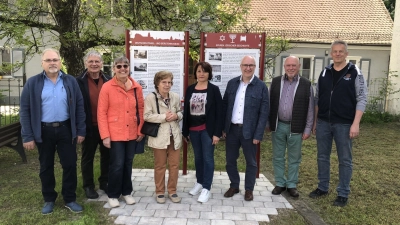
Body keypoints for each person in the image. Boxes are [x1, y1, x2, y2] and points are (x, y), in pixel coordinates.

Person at [20, 48, 86, 214]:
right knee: (45, 167)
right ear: (42, 63)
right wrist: (27, 135)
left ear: (60, 62)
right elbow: (25, 110)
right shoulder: (33, 83)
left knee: (70, 165)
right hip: (44, 131)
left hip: (66, 130)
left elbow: (79, 107)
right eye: (48, 60)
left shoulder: (70, 81)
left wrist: (81, 130)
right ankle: (49, 199)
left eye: (55, 60)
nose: (52, 63)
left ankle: (69, 198)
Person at [309, 40, 368, 207]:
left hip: (344, 124)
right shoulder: (324, 73)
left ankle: (343, 193)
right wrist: (315, 121)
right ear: (331, 53)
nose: (338, 54)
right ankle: (322, 187)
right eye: (335, 51)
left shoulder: (355, 72)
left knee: (345, 159)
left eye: (341, 51)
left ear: (346, 53)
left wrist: (356, 123)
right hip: (323, 123)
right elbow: (317, 98)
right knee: (322, 156)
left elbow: (362, 98)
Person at [97, 56, 145, 208]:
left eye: (125, 66)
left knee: (128, 163)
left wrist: (140, 130)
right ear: (114, 69)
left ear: (129, 68)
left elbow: (141, 110)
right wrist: (105, 135)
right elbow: (101, 112)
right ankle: (113, 194)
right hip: (115, 133)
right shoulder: (107, 87)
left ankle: (127, 192)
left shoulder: (137, 87)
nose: (122, 69)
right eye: (119, 66)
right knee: (116, 164)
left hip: (132, 131)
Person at [222, 55, 269, 201]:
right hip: (232, 130)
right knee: (230, 160)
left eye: (251, 65)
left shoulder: (261, 86)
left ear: (255, 68)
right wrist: (224, 128)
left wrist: (258, 134)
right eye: (245, 65)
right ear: (241, 67)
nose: (248, 68)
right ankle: (234, 185)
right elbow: (225, 107)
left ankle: (249, 189)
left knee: (251, 162)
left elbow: (264, 113)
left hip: (250, 131)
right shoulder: (232, 84)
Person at [268, 56, 314, 198]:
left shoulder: (306, 84)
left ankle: (292, 184)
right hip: (278, 125)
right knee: (278, 156)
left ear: (299, 66)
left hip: (296, 127)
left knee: (294, 158)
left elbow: (310, 108)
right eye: (288, 65)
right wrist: (267, 124)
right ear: (284, 67)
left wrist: (307, 128)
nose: (291, 68)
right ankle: (280, 183)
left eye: (294, 65)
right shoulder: (275, 82)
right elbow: (268, 104)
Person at [182, 62, 223, 203]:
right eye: (199, 71)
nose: (201, 74)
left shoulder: (214, 90)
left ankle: (206, 188)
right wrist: (185, 130)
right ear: (195, 73)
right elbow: (186, 111)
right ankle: (199, 182)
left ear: (209, 74)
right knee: (198, 158)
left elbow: (220, 113)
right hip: (193, 131)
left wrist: (217, 133)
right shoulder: (190, 89)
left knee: (208, 158)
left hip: (207, 130)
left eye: (205, 71)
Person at [144, 71, 183, 204]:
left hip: (174, 136)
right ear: (157, 83)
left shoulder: (175, 96)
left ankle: (172, 190)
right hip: (160, 137)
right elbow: (147, 116)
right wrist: (164, 117)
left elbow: (180, 111)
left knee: (174, 165)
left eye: (169, 82)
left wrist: (177, 116)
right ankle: (160, 192)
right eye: (164, 82)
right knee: (160, 165)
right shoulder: (150, 97)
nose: (167, 85)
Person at [76, 51, 111, 199]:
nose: (94, 64)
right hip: (88, 126)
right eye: (91, 62)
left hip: (107, 127)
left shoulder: (109, 80)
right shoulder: (79, 81)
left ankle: (105, 182)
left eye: (97, 61)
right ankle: (88, 186)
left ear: (101, 63)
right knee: (87, 157)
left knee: (107, 156)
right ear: (85, 64)